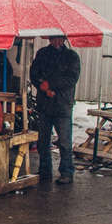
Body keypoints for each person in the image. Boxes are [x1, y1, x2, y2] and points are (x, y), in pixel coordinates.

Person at [30, 35, 81, 184]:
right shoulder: (42, 54)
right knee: (43, 141)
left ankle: (66, 172)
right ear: (49, 39)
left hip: (62, 104)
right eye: (53, 39)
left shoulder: (72, 57)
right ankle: (45, 171)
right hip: (44, 104)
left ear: (64, 39)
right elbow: (34, 74)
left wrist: (50, 85)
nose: (56, 42)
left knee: (64, 141)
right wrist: (42, 87)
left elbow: (72, 78)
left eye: (59, 39)